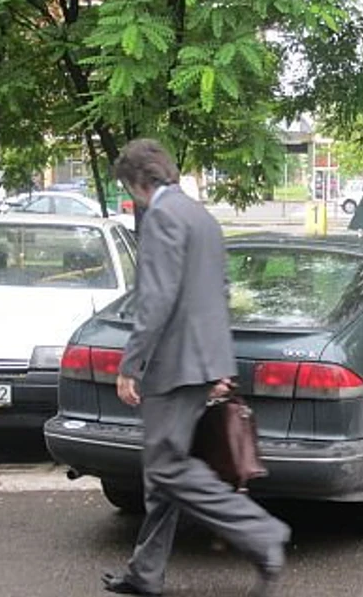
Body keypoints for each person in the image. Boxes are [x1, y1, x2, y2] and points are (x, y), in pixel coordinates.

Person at [102, 139, 289, 597]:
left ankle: (262, 534)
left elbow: (156, 298)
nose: (132, 197)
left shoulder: (162, 216)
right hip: (201, 360)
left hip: (173, 364)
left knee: (166, 468)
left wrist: (130, 363)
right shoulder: (201, 216)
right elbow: (219, 291)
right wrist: (219, 362)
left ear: (139, 182)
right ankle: (146, 573)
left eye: (128, 188)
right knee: (163, 473)